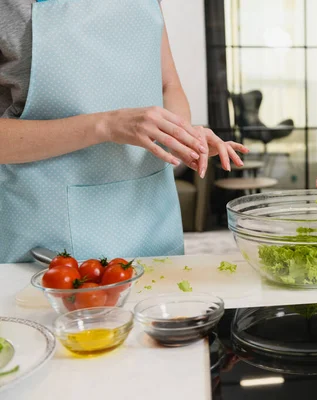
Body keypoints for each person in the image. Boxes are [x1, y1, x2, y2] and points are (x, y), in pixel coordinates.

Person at [0, 0, 247, 263]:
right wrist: (107, 125)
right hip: (46, 226)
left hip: (149, 214)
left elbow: (168, 85)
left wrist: (180, 134)